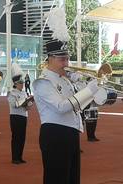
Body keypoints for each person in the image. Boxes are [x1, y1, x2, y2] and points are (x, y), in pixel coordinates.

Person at [32, 38, 100, 184]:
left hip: (70, 133)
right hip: (55, 134)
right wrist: (88, 90)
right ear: (50, 58)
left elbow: (77, 106)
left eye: (67, 59)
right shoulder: (43, 82)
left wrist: (87, 87)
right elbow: (61, 107)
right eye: (62, 59)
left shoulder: (64, 79)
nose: (66, 63)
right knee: (57, 179)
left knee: (72, 178)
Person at [7, 72, 33, 164]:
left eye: (22, 83)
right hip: (15, 116)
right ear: (15, 84)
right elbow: (14, 104)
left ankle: (20, 156)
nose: (22, 85)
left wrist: (29, 103)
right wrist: (24, 102)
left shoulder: (24, 93)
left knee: (22, 137)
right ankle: (15, 157)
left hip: (23, 116)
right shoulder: (11, 93)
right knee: (16, 137)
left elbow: (27, 106)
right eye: (20, 83)